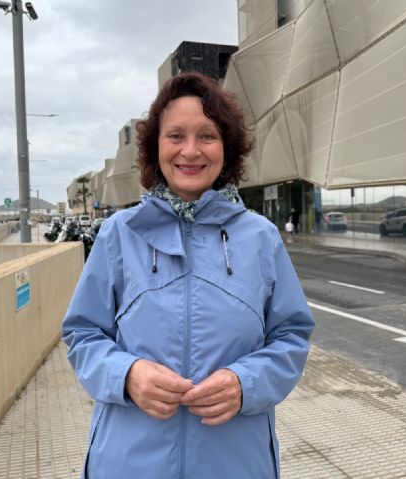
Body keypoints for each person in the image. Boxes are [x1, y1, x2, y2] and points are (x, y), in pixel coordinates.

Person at [62, 72, 315, 479]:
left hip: (237, 464)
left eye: (207, 136)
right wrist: (127, 375)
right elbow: (82, 333)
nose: (191, 151)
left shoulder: (262, 237)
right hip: (128, 463)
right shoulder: (117, 234)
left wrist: (245, 383)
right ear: (156, 146)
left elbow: (291, 336)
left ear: (227, 146)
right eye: (176, 136)